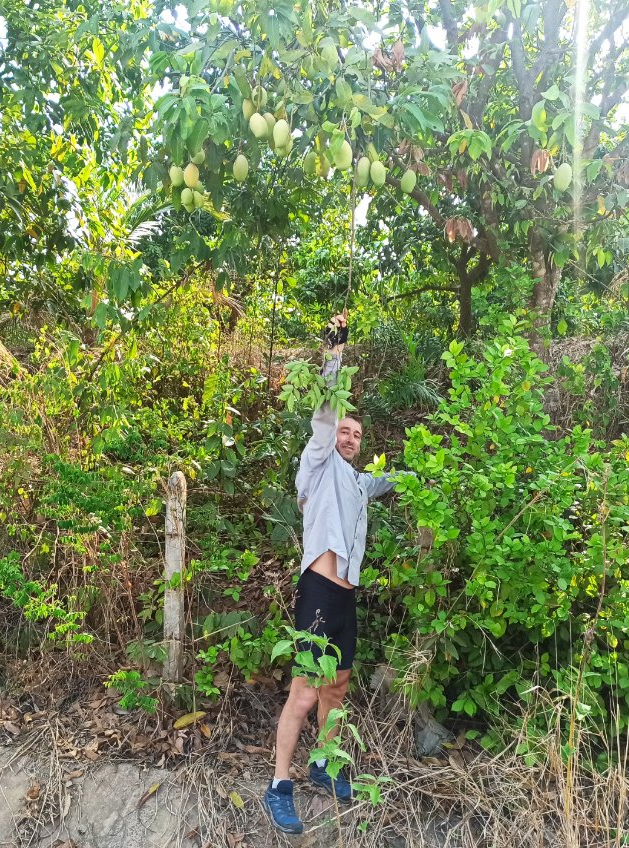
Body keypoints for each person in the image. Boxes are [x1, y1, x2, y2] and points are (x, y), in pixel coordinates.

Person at [263, 312, 413, 834]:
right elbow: (325, 413)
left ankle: (324, 764)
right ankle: (279, 785)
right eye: (344, 431)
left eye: (355, 434)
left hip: (347, 598)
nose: (348, 437)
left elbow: (389, 480)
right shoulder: (319, 463)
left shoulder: (358, 482)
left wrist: (434, 469)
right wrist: (335, 352)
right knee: (304, 691)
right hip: (318, 590)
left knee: (337, 688)